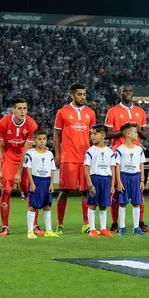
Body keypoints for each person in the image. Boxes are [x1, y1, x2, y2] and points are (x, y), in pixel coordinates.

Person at [105, 84, 149, 233]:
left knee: (139, 191)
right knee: (117, 191)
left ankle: (140, 223)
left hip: (136, 155)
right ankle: (116, 224)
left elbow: (145, 135)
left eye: (130, 91)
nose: (127, 93)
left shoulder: (140, 111)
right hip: (118, 155)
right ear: (120, 93)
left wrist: (137, 129)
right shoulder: (113, 111)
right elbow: (107, 133)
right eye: (125, 91)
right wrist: (125, 130)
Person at [53, 83, 97, 234]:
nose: (83, 97)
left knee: (86, 191)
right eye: (79, 94)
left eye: (84, 94)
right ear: (72, 95)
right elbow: (56, 134)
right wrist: (58, 154)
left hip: (85, 158)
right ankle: (60, 224)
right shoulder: (63, 112)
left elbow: (93, 136)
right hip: (68, 157)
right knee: (64, 191)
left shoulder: (90, 113)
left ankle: (86, 224)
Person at [0, 98, 40, 237]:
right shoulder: (3, 122)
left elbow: (26, 151)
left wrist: (19, 172)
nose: (22, 111)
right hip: (9, 157)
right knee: (6, 191)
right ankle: (4, 226)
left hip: (25, 158)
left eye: (25, 108)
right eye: (19, 108)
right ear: (13, 110)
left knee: (32, 191)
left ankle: (35, 226)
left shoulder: (32, 124)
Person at [23, 131, 60, 239]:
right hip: (36, 180)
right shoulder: (30, 153)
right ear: (34, 140)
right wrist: (32, 183)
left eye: (44, 139)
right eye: (39, 139)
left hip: (46, 181)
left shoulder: (49, 154)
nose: (42, 141)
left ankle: (48, 230)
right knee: (33, 206)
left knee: (47, 206)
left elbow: (52, 169)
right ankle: (30, 231)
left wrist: (52, 184)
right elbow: (28, 168)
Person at [84, 125, 116, 237]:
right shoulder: (90, 151)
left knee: (103, 205)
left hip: (106, 179)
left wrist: (112, 185)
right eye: (91, 133)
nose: (92, 136)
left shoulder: (110, 151)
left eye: (95, 133)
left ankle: (103, 228)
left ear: (103, 135)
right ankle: (92, 229)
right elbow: (86, 169)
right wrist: (90, 184)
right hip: (95, 178)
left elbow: (113, 169)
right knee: (92, 204)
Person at [115, 123, 146, 236]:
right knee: (123, 203)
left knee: (136, 203)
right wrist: (119, 182)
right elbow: (117, 166)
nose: (137, 134)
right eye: (135, 132)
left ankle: (136, 227)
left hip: (135, 177)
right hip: (124, 176)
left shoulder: (139, 149)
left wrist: (142, 181)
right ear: (128, 134)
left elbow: (141, 165)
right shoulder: (120, 149)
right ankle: (122, 227)